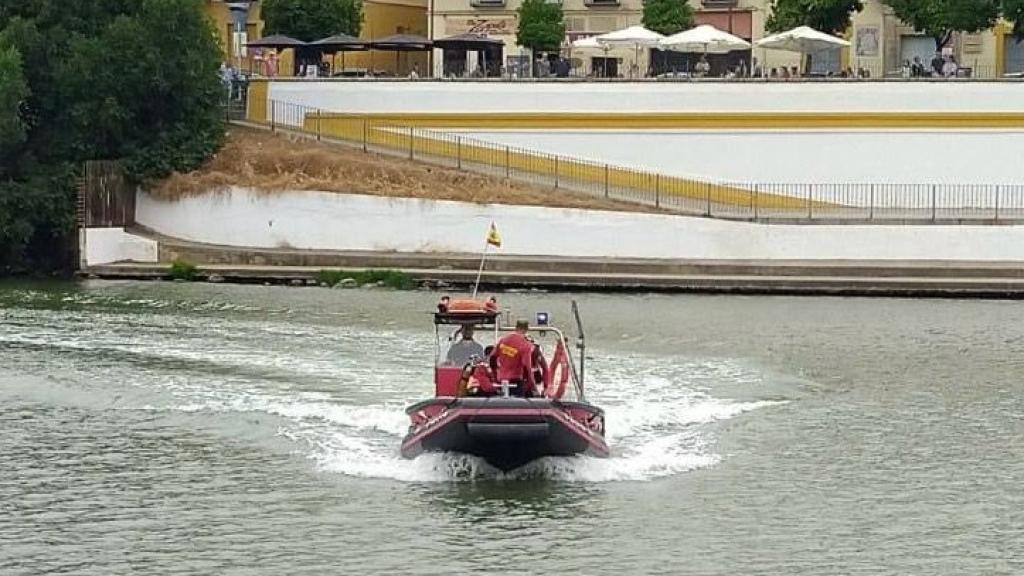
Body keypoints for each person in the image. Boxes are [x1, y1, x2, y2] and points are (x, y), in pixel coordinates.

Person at [489, 319, 537, 397]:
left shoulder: (503, 340)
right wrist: (533, 386)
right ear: (527, 329)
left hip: (501, 380)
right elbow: (527, 368)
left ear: (516, 327)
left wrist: (494, 375)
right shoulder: (526, 345)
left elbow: (492, 358)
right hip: (516, 381)